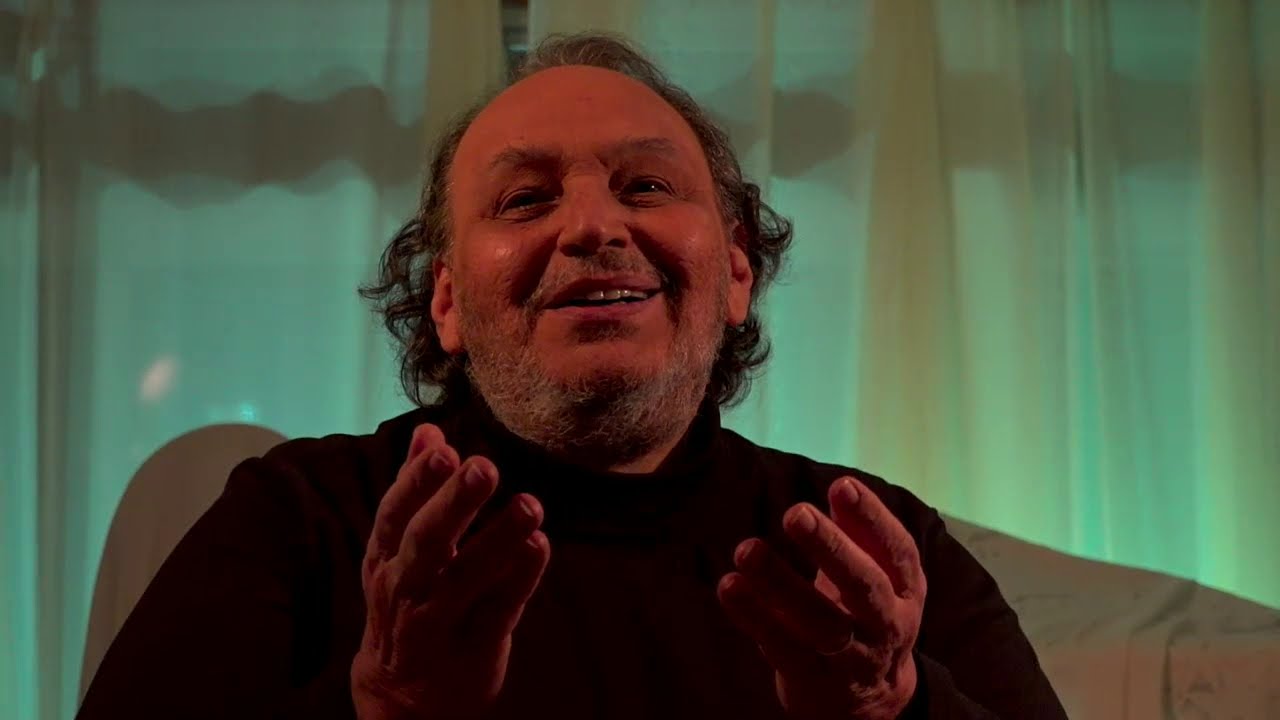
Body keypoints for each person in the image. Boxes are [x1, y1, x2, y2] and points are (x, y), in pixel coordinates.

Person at [77, 32, 1068, 720]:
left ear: (735, 273)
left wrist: (893, 710)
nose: (593, 226)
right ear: (447, 299)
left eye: (646, 185)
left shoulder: (871, 551)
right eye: (523, 200)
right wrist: (383, 708)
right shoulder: (297, 518)